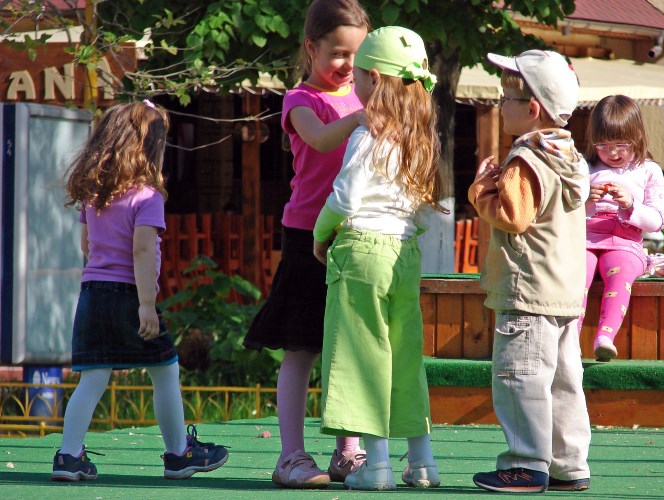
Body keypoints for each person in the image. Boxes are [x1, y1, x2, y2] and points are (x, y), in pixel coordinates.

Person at [52, 101, 228, 482]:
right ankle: (179, 453)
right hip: (130, 295)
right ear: (151, 148)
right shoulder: (147, 197)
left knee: (93, 378)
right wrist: (146, 304)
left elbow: (86, 246)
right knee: (165, 370)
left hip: (92, 293)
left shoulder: (94, 195)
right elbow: (143, 249)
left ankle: (68, 456)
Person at [242, 0, 370, 489]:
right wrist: (362, 117)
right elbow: (317, 139)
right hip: (306, 234)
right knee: (301, 347)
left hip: (356, 235)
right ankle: (291, 456)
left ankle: (349, 451)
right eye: (338, 54)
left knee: (352, 347)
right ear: (311, 48)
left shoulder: (362, 100)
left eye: (357, 57)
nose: (348, 66)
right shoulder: (301, 99)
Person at [313, 26, 444, 491]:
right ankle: (422, 462)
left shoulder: (368, 135)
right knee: (405, 356)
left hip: (362, 250)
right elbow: (425, 211)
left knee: (363, 357)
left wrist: (320, 232)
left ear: (372, 79)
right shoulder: (420, 137)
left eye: (359, 78)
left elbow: (346, 198)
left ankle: (378, 466)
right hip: (405, 254)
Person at [468, 50, 592, 493]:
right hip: (562, 292)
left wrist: (482, 188)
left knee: (519, 377)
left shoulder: (528, 158)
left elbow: (513, 215)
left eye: (505, 98)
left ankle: (525, 464)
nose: (500, 106)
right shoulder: (568, 155)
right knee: (562, 380)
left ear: (532, 108)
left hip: (527, 289)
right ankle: (568, 463)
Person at [580, 95, 664, 361]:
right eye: (603, 145)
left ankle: (605, 336)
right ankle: (568, 339)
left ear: (637, 136)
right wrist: (585, 202)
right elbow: (565, 213)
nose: (613, 153)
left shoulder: (648, 170)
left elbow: (656, 221)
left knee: (621, 270)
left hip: (624, 241)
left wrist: (630, 205)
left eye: (621, 145)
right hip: (584, 240)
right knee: (574, 272)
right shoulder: (584, 167)